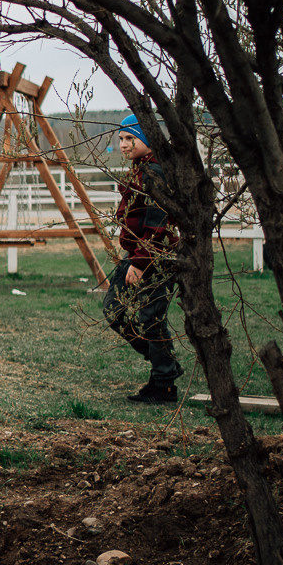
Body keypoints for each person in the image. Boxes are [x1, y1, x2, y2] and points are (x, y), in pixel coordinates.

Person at [108, 114, 181, 403]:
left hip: (155, 256)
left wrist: (141, 262)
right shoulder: (139, 171)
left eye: (130, 138)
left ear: (147, 141)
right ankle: (167, 366)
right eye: (121, 138)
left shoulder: (155, 174)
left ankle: (164, 382)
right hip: (135, 253)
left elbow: (158, 222)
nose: (124, 144)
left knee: (151, 317)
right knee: (114, 310)